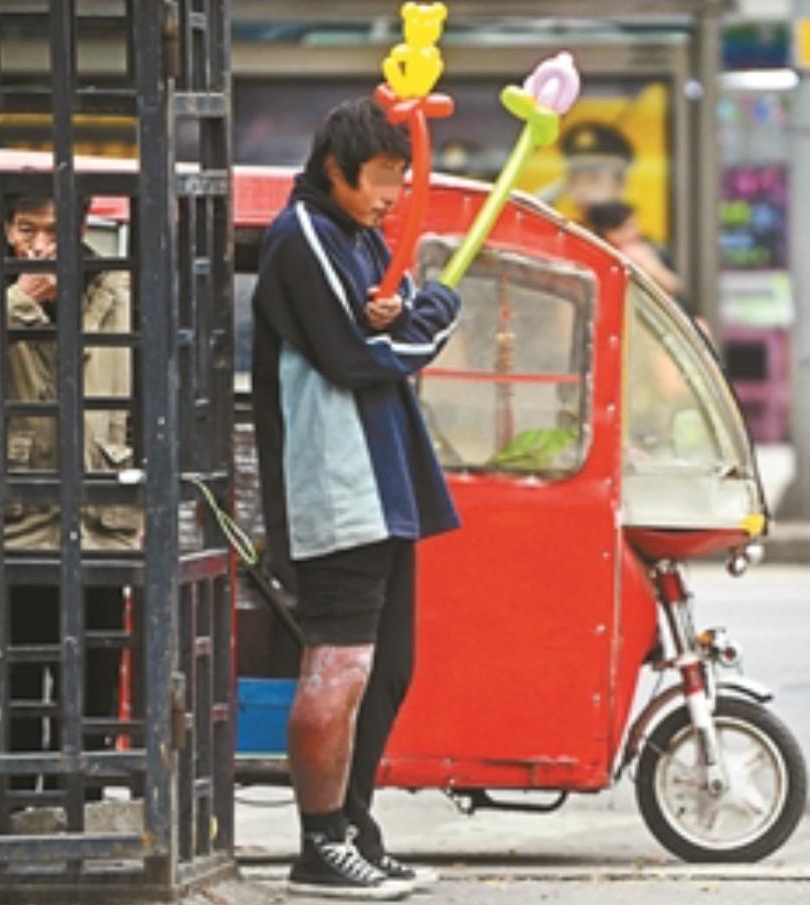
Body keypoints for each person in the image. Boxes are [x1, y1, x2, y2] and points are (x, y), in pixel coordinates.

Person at [251, 96, 461, 899]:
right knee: (339, 666)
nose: (391, 197)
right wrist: (436, 308)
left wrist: (408, 307)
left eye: (400, 182)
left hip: (385, 476)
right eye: (379, 179)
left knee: (388, 669)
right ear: (334, 169)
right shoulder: (301, 235)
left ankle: (352, 830)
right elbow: (357, 354)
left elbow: (386, 320)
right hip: (337, 480)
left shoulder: (358, 234)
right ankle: (318, 843)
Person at [1, 192, 139, 786]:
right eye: (25, 229)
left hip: (101, 507)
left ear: (80, 230)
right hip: (22, 508)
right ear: (5, 231)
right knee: (20, 665)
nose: (37, 244)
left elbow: (147, 392)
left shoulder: (113, 288)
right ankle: (13, 798)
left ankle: (82, 793)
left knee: (98, 665)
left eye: (52, 231)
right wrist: (17, 305)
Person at [585, 199, 682, 299]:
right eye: (628, 227)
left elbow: (673, 286)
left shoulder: (650, 248)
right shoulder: (594, 256)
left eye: (635, 225)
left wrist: (648, 265)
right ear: (607, 232)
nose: (636, 232)